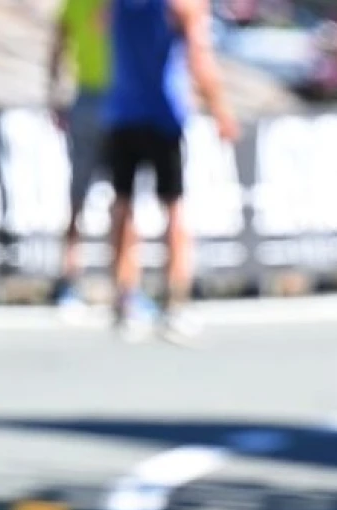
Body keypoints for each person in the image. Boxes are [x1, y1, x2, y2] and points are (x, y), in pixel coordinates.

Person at [104, 0, 238, 341]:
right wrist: (220, 109)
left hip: (123, 109)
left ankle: (125, 297)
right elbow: (199, 56)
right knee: (174, 207)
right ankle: (175, 302)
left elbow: (99, 25)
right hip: (164, 113)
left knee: (123, 204)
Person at [48, 0, 111, 313]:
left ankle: (70, 279)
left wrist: (54, 95)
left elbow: (56, 49)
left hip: (86, 100)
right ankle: (124, 284)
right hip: (114, 100)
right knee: (120, 199)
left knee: (78, 196)